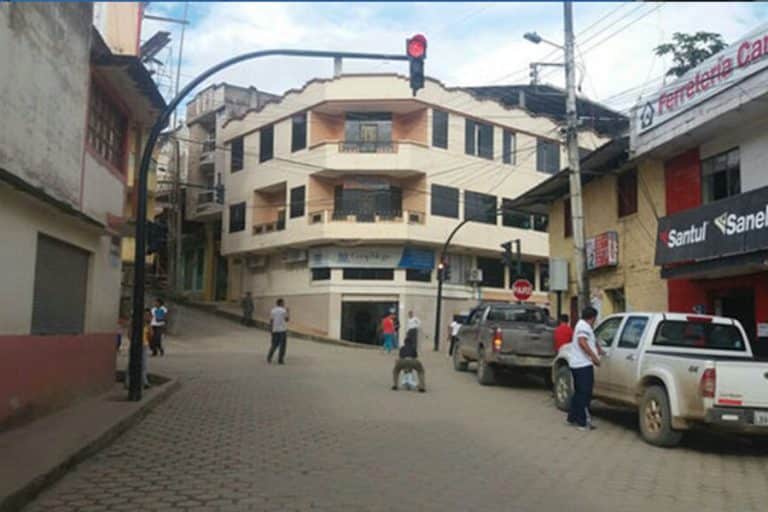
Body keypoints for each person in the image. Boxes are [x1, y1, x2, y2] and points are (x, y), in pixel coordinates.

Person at [567, 307, 605, 431]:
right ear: (593, 317)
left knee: (579, 392)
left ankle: (572, 418)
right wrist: (594, 357)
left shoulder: (582, 325)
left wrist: (598, 348)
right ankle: (583, 422)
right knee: (585, 393)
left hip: (578, 364)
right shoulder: (583, 327)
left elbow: (590, 339)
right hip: (583, 364)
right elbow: (582, 342)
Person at [126, 309, 151, 390]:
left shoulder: (147, 325)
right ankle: (128, 382)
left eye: (148, 315)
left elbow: (150, 335)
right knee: (131, 364)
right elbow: (129, 335)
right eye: (145, 315)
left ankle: (145, 382)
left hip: (144, 345)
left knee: (144, 364)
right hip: (135, 345)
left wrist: (149, 326)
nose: (147, 317)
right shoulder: (134, 323)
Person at [267, 298, 289, 364]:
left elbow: (271, 320)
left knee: (274, 344)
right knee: (282, 346)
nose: (284, 304)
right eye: (283, 303)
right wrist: (288, 312)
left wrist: (271, 329)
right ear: (281, 303)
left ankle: (269, 357)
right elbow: (287, 319)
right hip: (282, 330)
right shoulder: (284, 311)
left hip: (275, 330)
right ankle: (280, 359)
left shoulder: (273, 310)